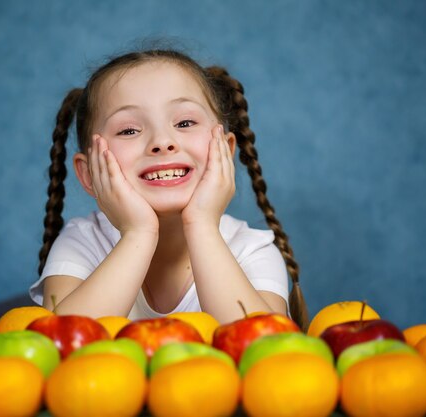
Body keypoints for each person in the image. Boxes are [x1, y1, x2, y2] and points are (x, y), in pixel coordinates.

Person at [29, 48, 308, 330]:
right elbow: (61, 343)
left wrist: (202, 225)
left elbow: (262, 349)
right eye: (128, 130)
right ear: (89, 173)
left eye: (185, 123)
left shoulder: (251, 249)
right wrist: (138, 233)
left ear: (225, 149)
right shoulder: (83, 243)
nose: (162, 141)